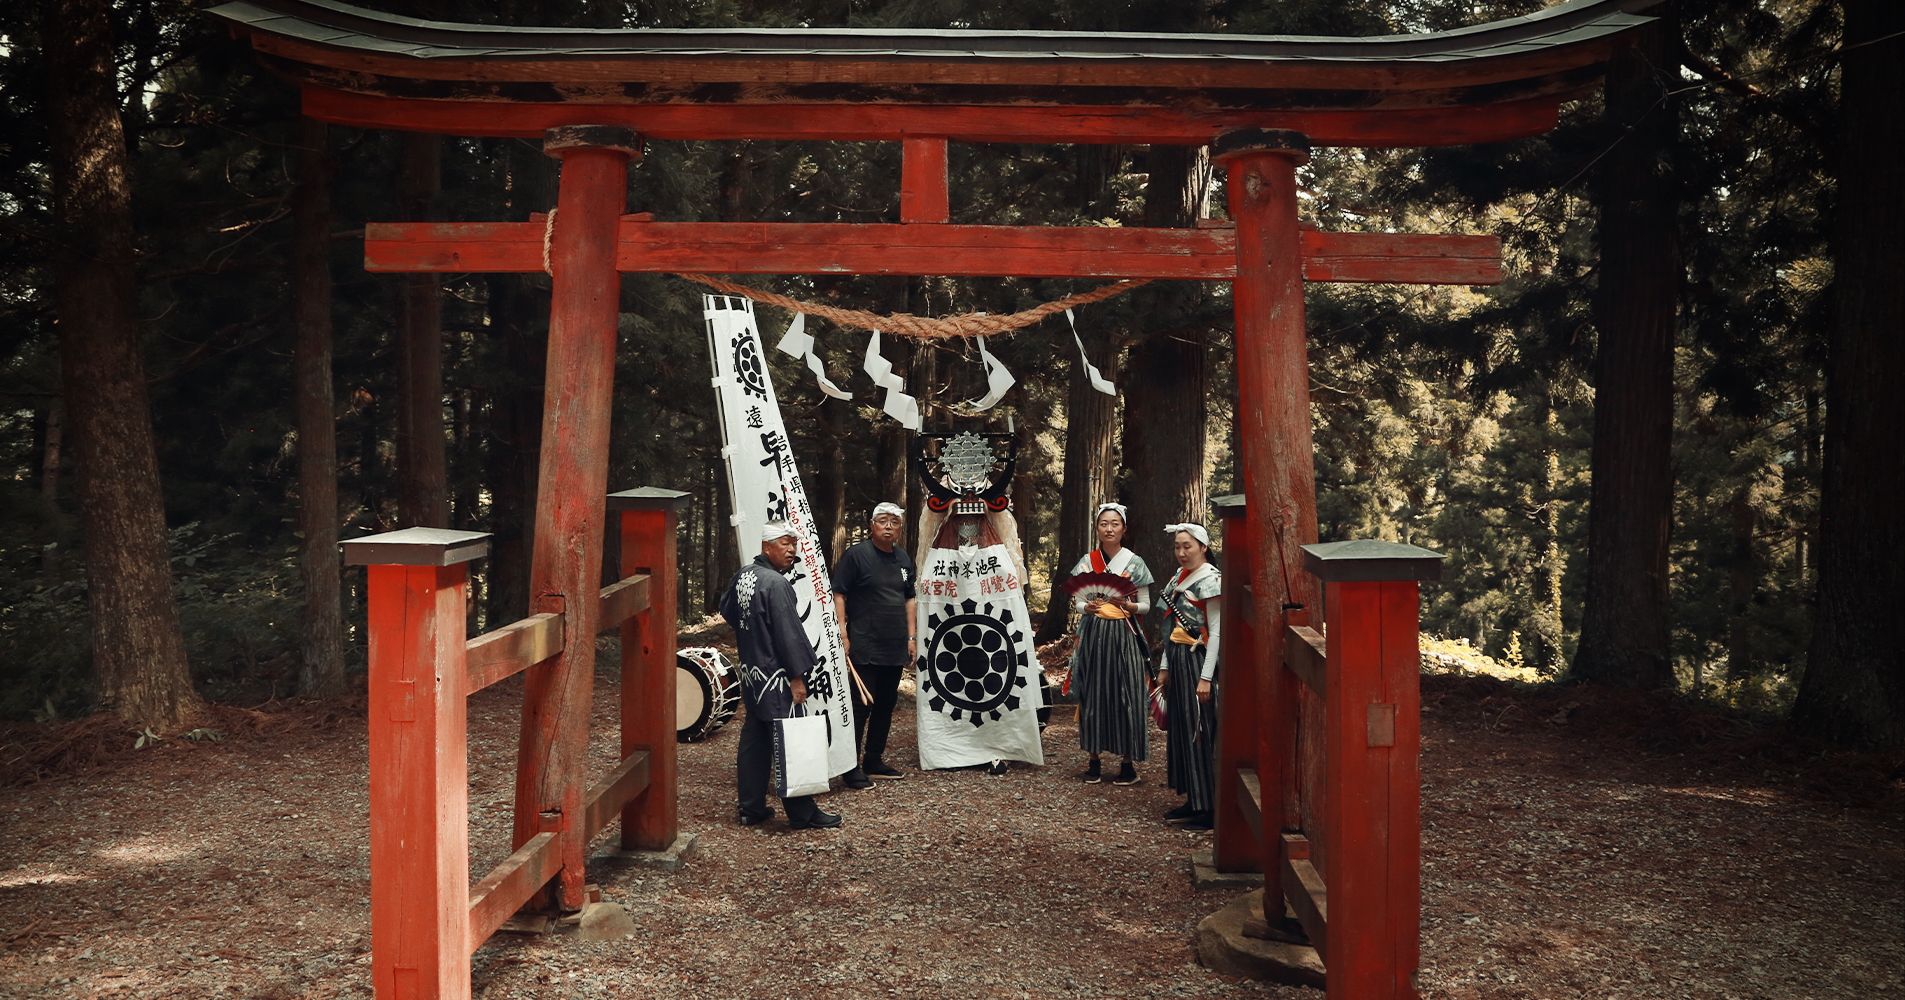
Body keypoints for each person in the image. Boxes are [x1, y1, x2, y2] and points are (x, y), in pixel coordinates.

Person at [719, 521, 844, 831]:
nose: (792, 550)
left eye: (794, 544)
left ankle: (751, 808)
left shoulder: (744, 575)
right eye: (785, 544)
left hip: (752, 673)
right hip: (775, 678)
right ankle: (803, 813)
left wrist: (754, 638)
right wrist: (798, 676)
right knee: (790, 739)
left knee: (756, 738)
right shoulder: (775, 583)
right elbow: (789, 635)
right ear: (767, 547)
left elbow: (727, 610)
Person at [831, 501, 918, 789]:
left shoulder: (903, 559)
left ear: (900, 528)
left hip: (894, 644)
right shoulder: (856, 556)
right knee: (859, 706)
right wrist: (843, 633)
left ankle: (874, 759)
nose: (889, 526)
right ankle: (850, 765)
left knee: (885, 704)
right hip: (865, 643)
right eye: (883, 521)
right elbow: (839, 593)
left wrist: (912, 637)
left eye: (895, 522)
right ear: (872, 525)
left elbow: (909, 598)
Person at [1068, 502, 1153, 785]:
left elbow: (1147, 606)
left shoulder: (1135, 562)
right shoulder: (1086, 561)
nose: (1109, 528)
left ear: (1124, 529)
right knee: (1092, 691)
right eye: (1104, 523)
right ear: (1097, 528)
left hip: (1124, 633)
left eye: (1115, 523)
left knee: (1126, 691)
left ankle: (1127, 762)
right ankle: (1093, 759)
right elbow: (1079, 601)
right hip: (1094, 632)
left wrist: (1129, 606)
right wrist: (1086, 609)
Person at [1156, 522, 1222, 831]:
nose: (1182, 552)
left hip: (1199, 661)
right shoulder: (1177, 580)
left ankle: (1210, 806)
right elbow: (1172, 629)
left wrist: (1206, 677)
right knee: (1182, 728)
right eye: (1178, 547)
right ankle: (1193, 798)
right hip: (1179, 660)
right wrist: (1165, 666)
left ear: (1203, 547)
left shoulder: (1211, 580)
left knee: (1200, 728)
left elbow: (1217, 632)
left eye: (1188, 546)